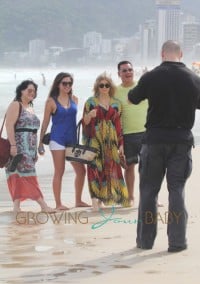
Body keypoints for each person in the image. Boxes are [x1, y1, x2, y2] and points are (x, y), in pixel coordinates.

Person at [128, 40, 200, 252]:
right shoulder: (193, 78)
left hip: (154, 139)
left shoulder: (151, 76)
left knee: (149, 190)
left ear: (161, 54)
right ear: (181, 53)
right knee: (176, 190)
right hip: (181, 140)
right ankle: (177, 242)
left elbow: (132, 99)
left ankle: (145, 240)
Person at [38, 72, 89, 210]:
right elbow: (45, 123)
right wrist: (40, 143)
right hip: (57, 139)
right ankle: (58, 204)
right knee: (59, 171)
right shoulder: (51, 101)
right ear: (58, 84)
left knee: (81, 171)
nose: (67, 86)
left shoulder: (75, 99)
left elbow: (80, 120)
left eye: (70, 83)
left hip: (72, 139)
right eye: (64, 83)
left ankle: (78, 201)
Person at [5, 80, 54, 213]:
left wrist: (36, 150)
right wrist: (13, 145)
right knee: (27, 175)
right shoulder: (16, 104)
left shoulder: (31, 107)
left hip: (30, 148)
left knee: (19, 176)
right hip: (20, 146)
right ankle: (43, 205)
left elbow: (33, 130)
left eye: (34, 91)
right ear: (21, 90)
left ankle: (16, 207)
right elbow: (9, 125)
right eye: (29, 90)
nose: (32, 93)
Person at [82, 72, 129, 211]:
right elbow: (84, 122)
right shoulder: (91, 102)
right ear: (97, 86)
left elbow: (119, 126)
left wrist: (121, 144)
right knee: (94, 168)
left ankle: (106, 197)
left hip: (111, 141)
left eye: (106, 85)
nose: (104, 87)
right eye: (101, 85)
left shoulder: (117, 104)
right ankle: (95, 201)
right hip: (94, 140)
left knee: (111, 168)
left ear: (110, 87)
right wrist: (89, 115)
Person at [115, 61, 148, 207]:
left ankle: (150, 197)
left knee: (149, 167)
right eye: (124, 70)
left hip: (147, 133)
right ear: (119, 74)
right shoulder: (115, 91)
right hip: (127, 134)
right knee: (129, 167)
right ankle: (130, 197)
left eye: (130, 69)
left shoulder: (143, 87)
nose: (128, 72)